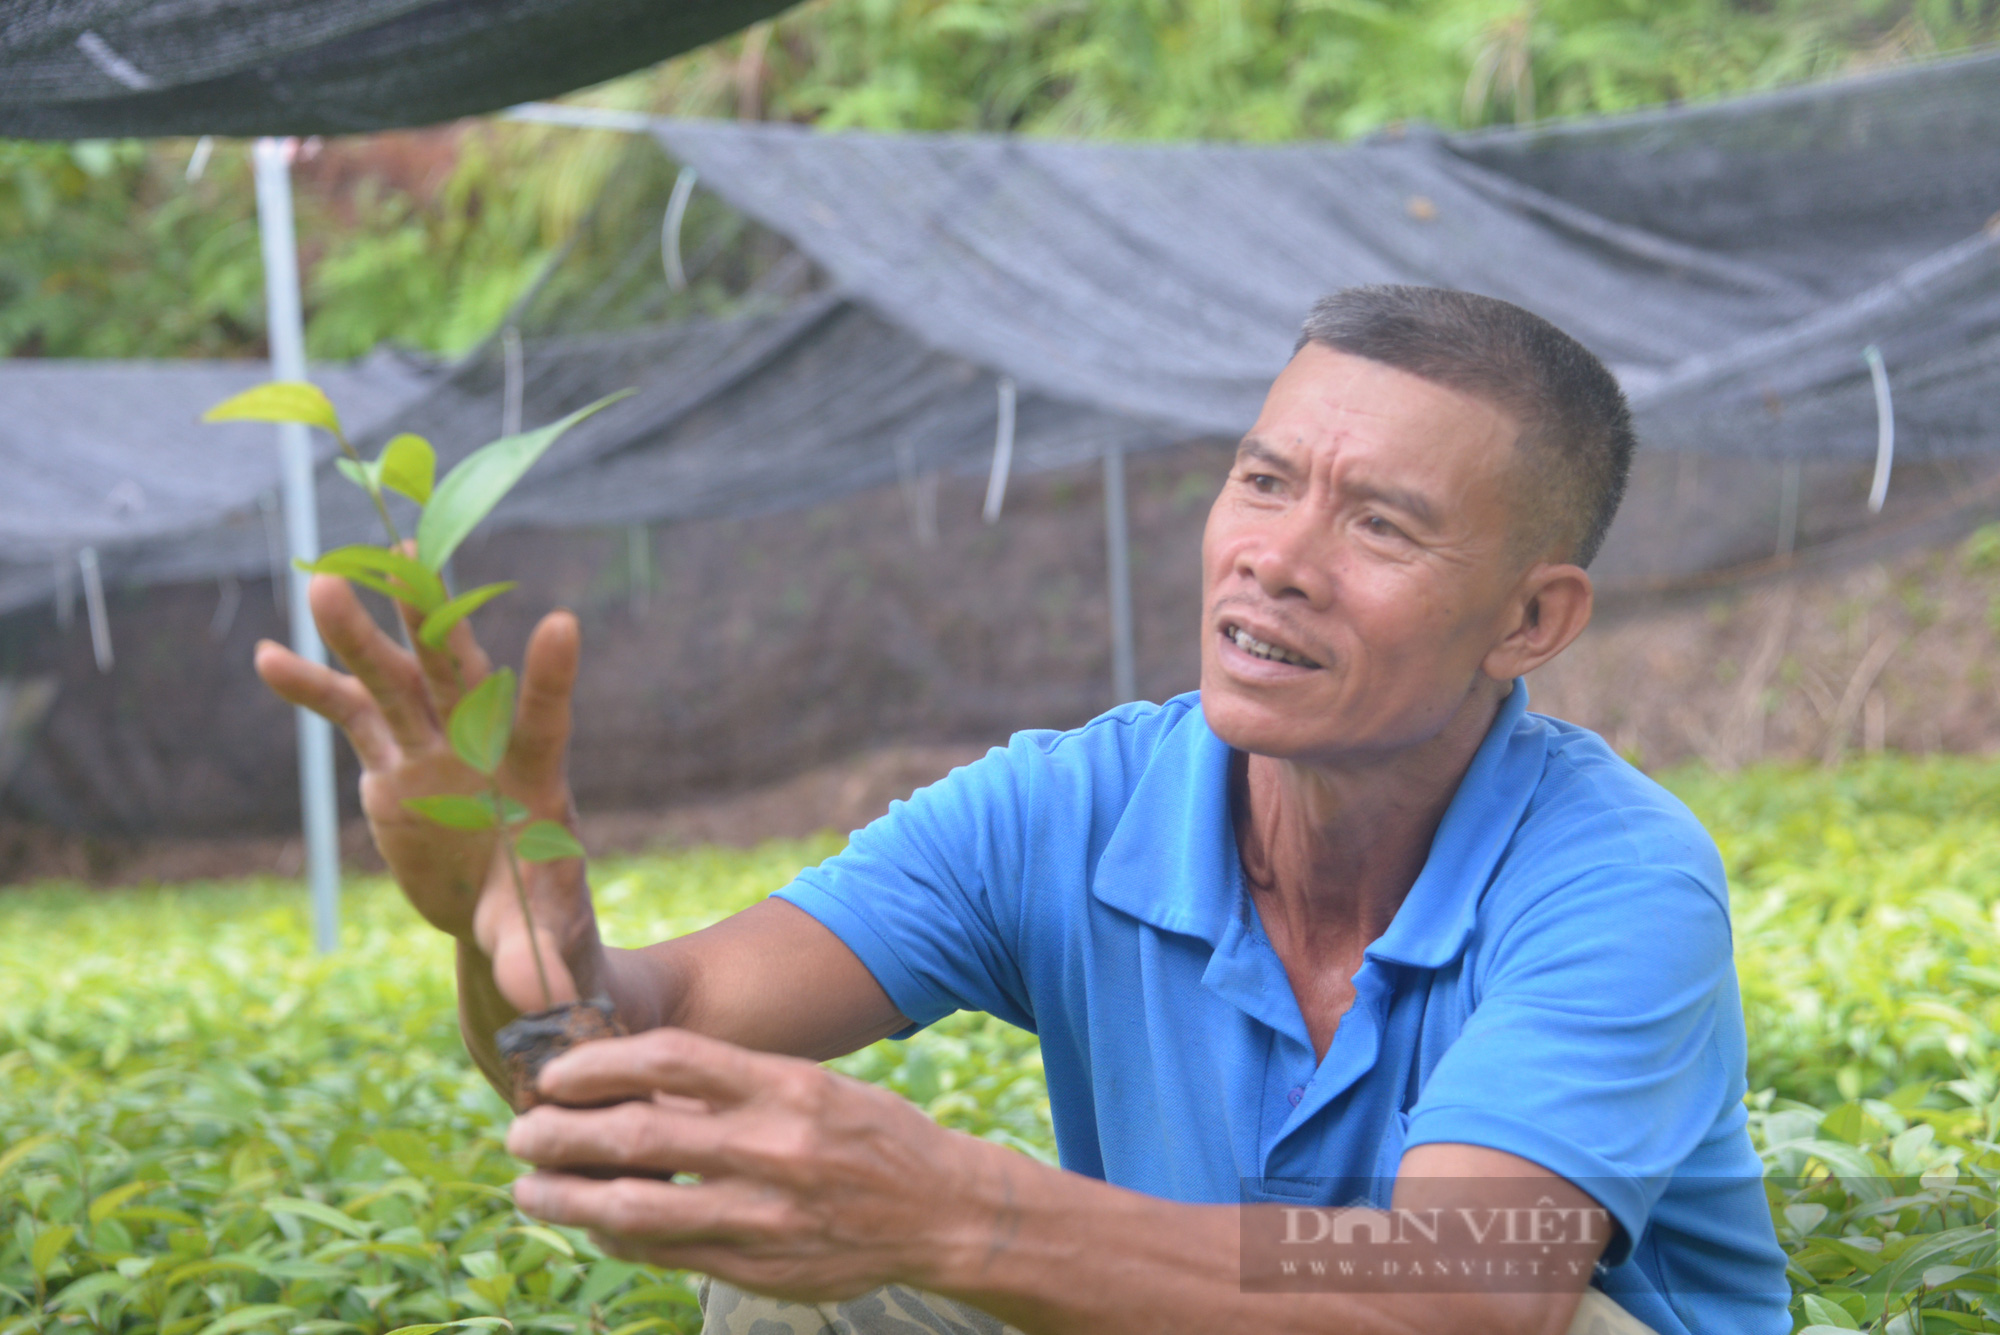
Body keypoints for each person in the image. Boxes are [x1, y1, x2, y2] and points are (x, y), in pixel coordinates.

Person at [256, 286, 1791, 1335]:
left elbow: (1472, 1290)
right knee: (806, 1279)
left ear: (1532, 618)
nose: (1279, 556)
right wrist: (521, 931)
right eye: (1263, 482)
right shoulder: (1069, 806)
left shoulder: (1614, 875)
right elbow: (634, 1047)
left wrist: (964, 1211)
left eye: (1379, 522)